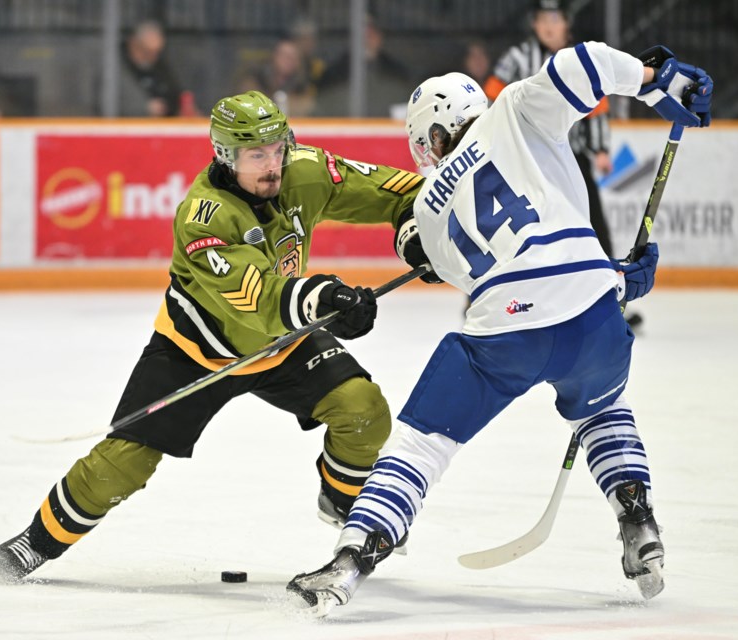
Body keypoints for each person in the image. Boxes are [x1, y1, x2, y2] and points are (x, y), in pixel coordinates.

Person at [286, 39, 712, 616]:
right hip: (593, 315)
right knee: (602, 408)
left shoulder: (430, 207)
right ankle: (638, 520)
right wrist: (656, 79)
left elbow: (510, 277)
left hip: (504, 334)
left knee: (422, 444)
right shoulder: (514, 108)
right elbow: (579, 62)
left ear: (434, 135)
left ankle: (351, 559)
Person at [0, 90, 426, 582]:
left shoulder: (305, 170)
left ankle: (345, 501)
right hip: (197, 350)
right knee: (125, 463)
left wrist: (414, 232)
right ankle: (37, 541)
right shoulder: (205, 215)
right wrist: (323, 299)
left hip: (283, 342)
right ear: (225, 155)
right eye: (255, 155)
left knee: (363, 409)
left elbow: (402, 192)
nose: (272, 165)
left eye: (277, 149)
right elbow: (257, 302)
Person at [483, 0, 644, 328]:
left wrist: (599, 148)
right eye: (543, 18)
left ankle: (612, 298)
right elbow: (489, 99)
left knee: (593, 228)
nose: (548, 25)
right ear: (534, 23)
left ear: (566, 23)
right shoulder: (517, 59)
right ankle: (489, 297)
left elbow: (597, 106)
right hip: (524, 162)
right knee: (511, 228)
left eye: (554, 19)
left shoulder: (577, 61)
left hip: (572, 158)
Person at [314, 15, 414, 118]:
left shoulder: (397, 73)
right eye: (361, 31)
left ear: (380, 36)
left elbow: (406, 109)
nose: (367, 35)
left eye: (372, 31)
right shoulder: (332, 75)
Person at [119, 20, 194, 117]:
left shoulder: (160, 65)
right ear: (133, 44)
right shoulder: (115, 66)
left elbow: (177, 93)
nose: (152, 58)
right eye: (147, 52)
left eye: (156, 53)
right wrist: (144, 108)